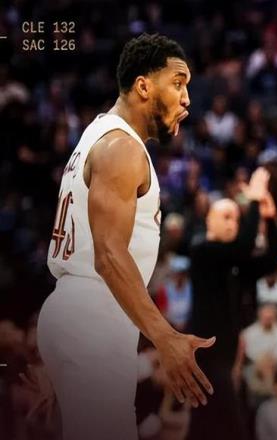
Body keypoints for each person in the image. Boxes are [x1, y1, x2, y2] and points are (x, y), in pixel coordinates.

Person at [35, 34, 215, 440]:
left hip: (77, 308)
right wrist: (164, 336)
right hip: (93, 314)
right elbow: (109, 255)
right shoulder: (122, 149)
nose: (187, 99)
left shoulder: (99, 135)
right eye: (178, 83)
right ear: (143, 86)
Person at [187, 168, 277, 440]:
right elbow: (242, 247)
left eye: (236, 219)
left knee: (207, 430)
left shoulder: (235, 262)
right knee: (232, 429)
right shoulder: (202, 251)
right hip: (205, 360)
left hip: (227, 361)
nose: (233, 223)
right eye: (226, 217)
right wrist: (253, 199)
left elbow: (271, 259)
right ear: (209, 220)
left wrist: (269, 219)